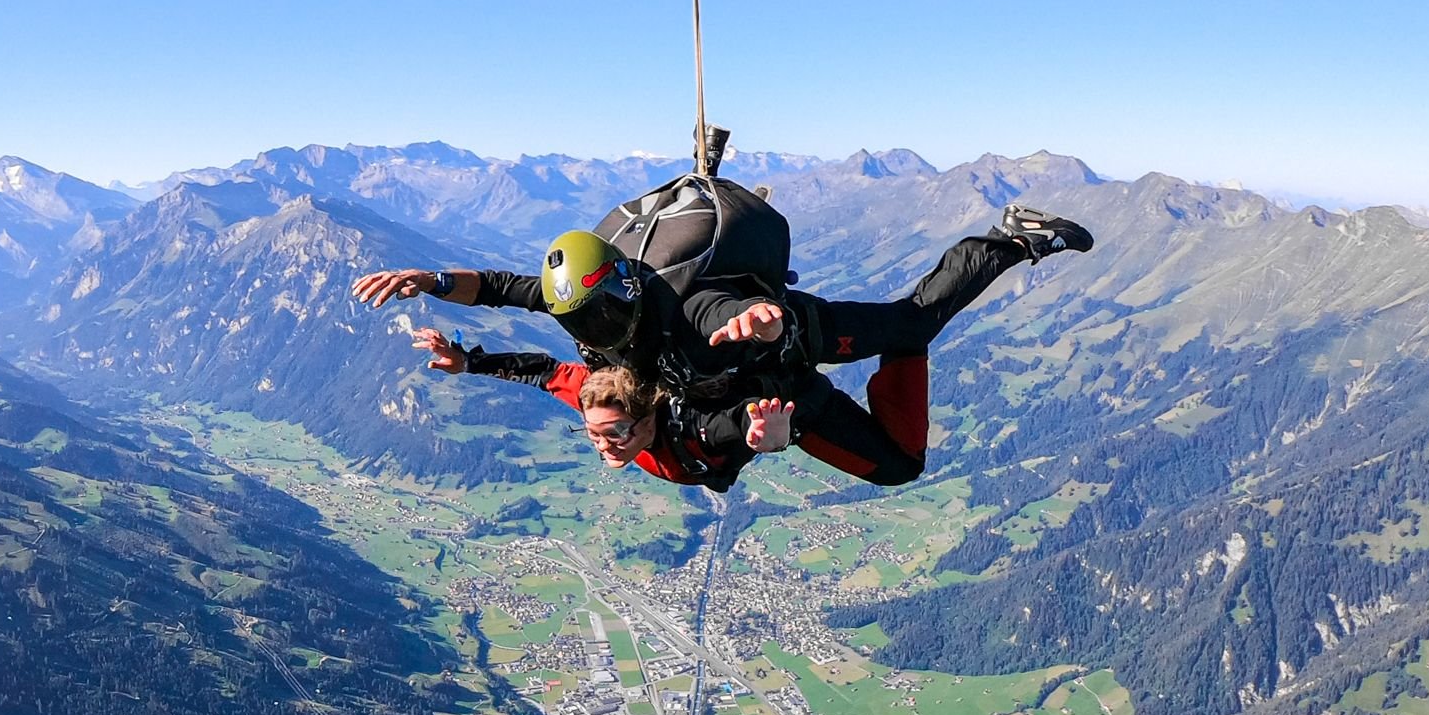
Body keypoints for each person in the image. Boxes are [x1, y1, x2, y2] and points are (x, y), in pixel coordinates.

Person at [355, 201, 1093, 487]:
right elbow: (511, 300)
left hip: (780, 346)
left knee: (910, 325)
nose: (603, 443)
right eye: (601, 432)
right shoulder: (599, 356)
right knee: (900, 464)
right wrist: (434, 287)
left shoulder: (677, 307)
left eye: (610, 435)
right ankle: (873, 373)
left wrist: (757, 323)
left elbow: (718, 318)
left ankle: (1007, 240)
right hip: (767, 397)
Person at [409, 329, 792, 491]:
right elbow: (543, 371)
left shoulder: (688, 425)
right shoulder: (595, 400)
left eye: (615, 433)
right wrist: (467, 363)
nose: (604, 444)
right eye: (593, 434)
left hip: (783, 398)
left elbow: (735, 421)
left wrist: (767, 438)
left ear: (647, 419)